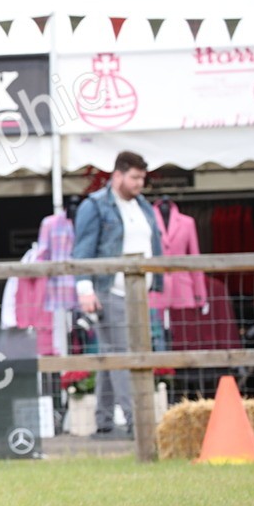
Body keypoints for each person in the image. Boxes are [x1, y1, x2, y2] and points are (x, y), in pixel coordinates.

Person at [71, 151, 163, 439]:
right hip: (108, 289)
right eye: (135, 177)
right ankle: (138, 422)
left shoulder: (143, 206)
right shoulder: (95, 205)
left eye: (142, 178)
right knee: (125, 355)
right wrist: (84, 288)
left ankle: (104, 420)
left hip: (138, 293)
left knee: (114, 352)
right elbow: (82, 250)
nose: (139, 184)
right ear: (118, 175)